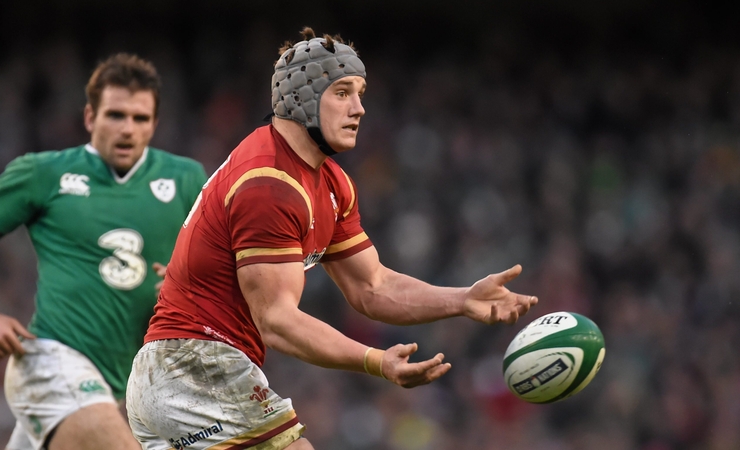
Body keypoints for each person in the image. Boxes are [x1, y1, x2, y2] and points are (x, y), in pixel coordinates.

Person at [125, 28, 539, 450]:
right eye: (342, 92)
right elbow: (278, 322)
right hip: (194, 369)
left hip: (176, 377)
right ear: (301, 97)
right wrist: (376, 361)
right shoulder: (269, 182)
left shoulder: (330, 184)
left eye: (360, 93)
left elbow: (371, 287)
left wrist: (463, 300)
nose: (359, 108)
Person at [0, 53, 207, 450]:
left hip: (123, 386)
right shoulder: (43, 172)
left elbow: (214, 272)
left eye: (140, 119)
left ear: (155, 123)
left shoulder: (186, 178)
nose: (127, 129)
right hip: (52, 362)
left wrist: (185, 287)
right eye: (115, 115)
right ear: (90, 117)